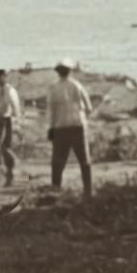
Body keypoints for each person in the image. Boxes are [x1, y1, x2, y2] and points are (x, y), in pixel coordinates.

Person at [47, 57, 92, 197]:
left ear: (58, 72)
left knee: (57, 163)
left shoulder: (54, 88)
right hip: (78, 126)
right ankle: (88, 192)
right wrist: (83, 117)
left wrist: (51, 128)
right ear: (70, 71)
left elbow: (51, 111)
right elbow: (89, 108)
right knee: (84, 161)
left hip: (60, 128)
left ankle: (55, 192)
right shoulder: (77, 86)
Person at [0, 68, 22, 186]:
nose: (1, 78)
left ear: (6, 77)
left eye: (3, 76)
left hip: (8, 120)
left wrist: (17, 123)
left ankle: (10, 175)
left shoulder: (10, 90)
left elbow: (16, 108)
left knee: (5, 148)